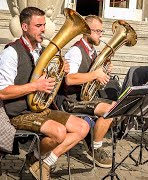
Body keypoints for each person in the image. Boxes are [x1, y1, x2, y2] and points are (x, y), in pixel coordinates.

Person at [0, 7, 90, 180]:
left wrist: (61, 74)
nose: (43, 29)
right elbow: (3, 92)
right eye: (39, 25)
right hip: (18, 112)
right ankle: (36, 160)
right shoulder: (11, 52)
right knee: (59, 133)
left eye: (44, 25)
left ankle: (40, 162)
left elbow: (50, 85)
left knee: (83, 127)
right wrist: (35, 86)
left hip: (41, 109)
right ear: (25, 27)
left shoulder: (42, 51)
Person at [61, 15, 115, 168]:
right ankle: (95, 147)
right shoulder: (76, 51)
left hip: (86, 97)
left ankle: (93, 139)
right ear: (87, 31)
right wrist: (95, 74)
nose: (101, 34)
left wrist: (104, 72)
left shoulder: (92, 52)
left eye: (101, 31)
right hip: (72, 100)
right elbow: (69, 79)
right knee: (110, 109)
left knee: (117, 106)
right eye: (97, 31)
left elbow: (94, 80)